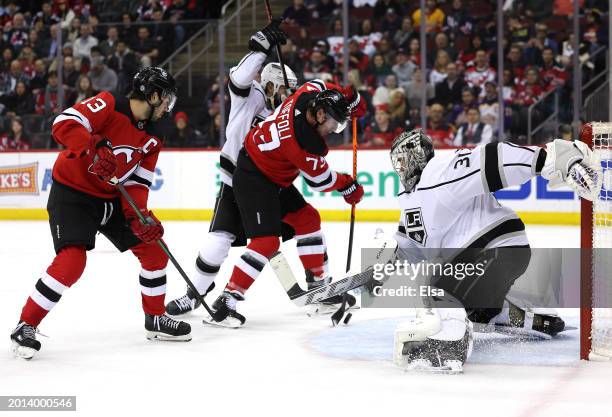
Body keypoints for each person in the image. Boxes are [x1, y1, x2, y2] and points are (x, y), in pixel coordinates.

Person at [381, 128, 600, 372]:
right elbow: (410, 245)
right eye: (396, 163)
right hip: (492, 254)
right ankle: (535, 320)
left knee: (438, 287)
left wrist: (552, 158)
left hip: (494, 247)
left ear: (418, 155)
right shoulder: (408, 197)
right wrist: (377, 274)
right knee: (477, 312)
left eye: (402, 160)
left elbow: (491, 158)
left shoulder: (439, 171)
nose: (399, 168)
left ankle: (450, 346)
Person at [10, 67, 190, 360]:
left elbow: (138, 181)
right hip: (73, 193)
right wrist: (92, 146)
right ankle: (25, 325)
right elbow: (63, 123)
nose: (168, 106)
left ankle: (155, 318)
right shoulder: (108, 103)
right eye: (166, 98)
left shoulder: (156, 134)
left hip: (113, 197)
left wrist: (140, 216)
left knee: (154, 249)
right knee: (72, 261)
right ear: (153, 95)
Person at [196, 61, 366, 326]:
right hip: (254, 178)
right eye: (335, 123)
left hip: (274, 178)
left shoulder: (307, 94)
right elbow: (321, 181)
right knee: (266, 242)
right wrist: (348, 185)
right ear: (320, 115)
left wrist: (347, 98)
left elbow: (322, 84)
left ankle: (318, 286)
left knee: (308, 219)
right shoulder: (301, 143)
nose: (335, 130)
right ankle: (227, 301)